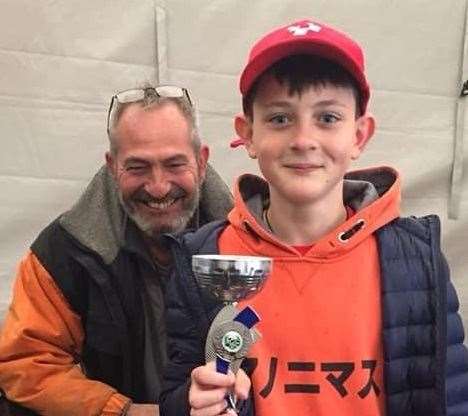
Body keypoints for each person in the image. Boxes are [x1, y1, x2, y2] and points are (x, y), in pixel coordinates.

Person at [159, 19, 468, 416]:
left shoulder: (416, 257)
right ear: (247, 133)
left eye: (327, 118)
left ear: (359, 135)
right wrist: (194, 403)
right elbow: (177, 389)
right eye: (280, 118)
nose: (303, 140)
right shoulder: (203, 257)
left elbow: (451, 396)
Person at [0, 85, 233, 415]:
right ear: (112, 166)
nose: (158, 187)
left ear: (202, 160)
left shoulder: (248, 245)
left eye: (174, 164)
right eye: (137, 167)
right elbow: (26, 363)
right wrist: (124, 411)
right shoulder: (65, 251)